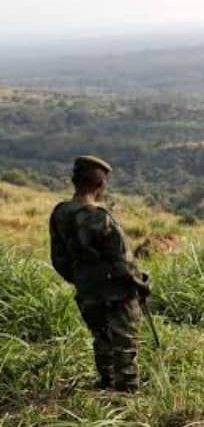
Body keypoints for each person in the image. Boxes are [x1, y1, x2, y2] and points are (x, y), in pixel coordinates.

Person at [49, 156, 150, 392]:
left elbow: (58, 258)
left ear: (74, 181)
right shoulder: (101, 217)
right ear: (100, 185)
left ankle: (106, 384)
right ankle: (126, 394)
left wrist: (82, 279)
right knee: (124, 344)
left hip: (87, 290)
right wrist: (142, 285)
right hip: (117, 292)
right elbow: (123, 264)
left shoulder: (60, 213)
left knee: (101, 339)